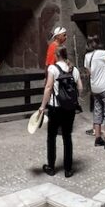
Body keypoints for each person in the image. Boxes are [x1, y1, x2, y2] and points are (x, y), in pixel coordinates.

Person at [37, 45, 82, 176]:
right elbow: (80, 87)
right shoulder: (74, 69)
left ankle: (51, 167)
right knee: (67, 137)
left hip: (55, 107)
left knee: (51, 136)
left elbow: (48, 87)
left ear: (56, 56)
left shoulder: (53, 68)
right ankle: (68, 169)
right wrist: (73, 99)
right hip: (70, 108)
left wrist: (42, 106)